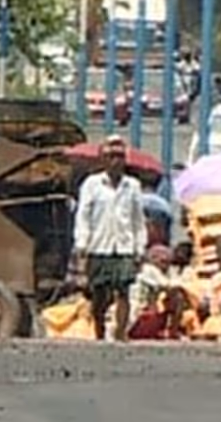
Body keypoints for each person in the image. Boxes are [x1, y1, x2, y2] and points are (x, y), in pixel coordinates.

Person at [73, 135, 148, 342]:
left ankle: (120, 333)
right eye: (111, 156)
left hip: (124, 246)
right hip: (100, 246)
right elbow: (84, 216)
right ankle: (99, 331)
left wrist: (140, 247)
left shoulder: (132, 186)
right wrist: (82, 243)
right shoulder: (92, 184)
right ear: (103, 160)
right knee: (99, 292)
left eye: (120, 156)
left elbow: (137, 219)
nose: (116, 161)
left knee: (123, 290)